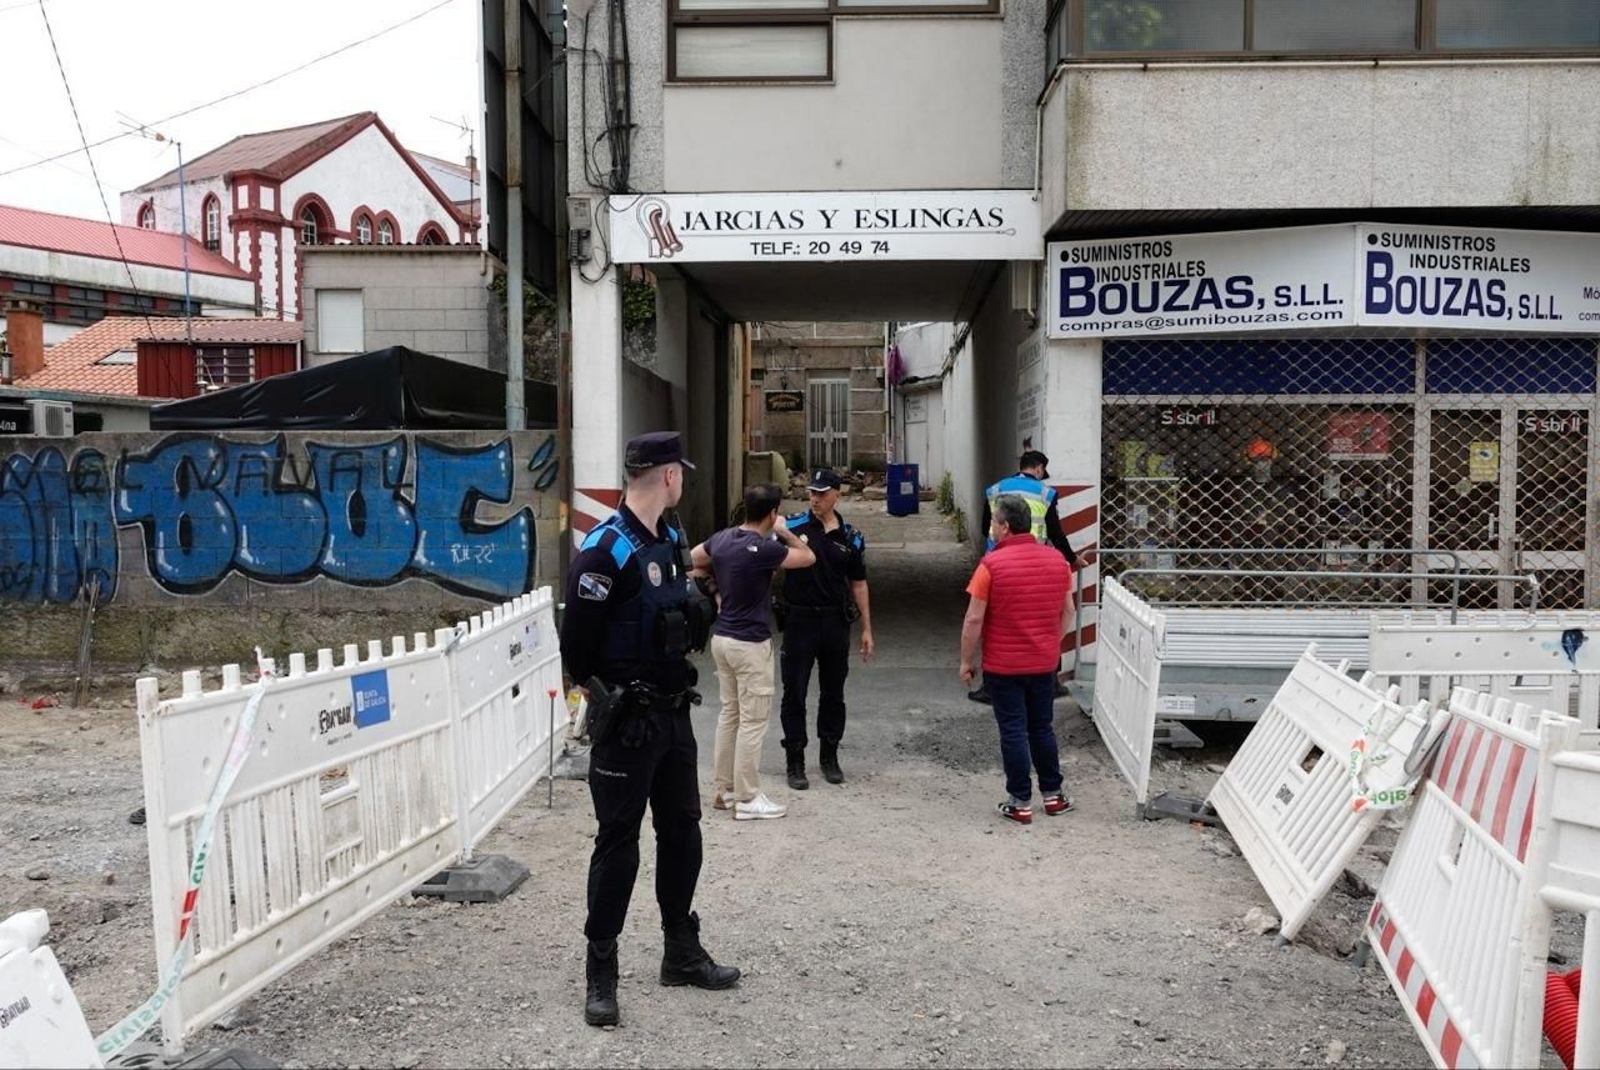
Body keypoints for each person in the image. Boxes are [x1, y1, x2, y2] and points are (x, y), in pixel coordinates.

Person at [560, 431, 738, 1028]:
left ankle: (680, 951)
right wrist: (609, 701)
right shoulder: (605, 550)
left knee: (683, 833)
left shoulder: (672, 537)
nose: (682, 479)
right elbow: (576, 650)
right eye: (680, 471)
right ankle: (601, 971)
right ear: (668, 475)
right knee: (619, 845)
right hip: (628, 725)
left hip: (673, 716)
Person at [691, 483, 815, 821]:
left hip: (723, 640)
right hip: (750, 644)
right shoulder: (766, 549)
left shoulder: (723, 539)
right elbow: (808, 557)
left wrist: (716, 588)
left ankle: (724, 790)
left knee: (729, 715)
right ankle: (747, 797)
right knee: (753, 721)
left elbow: (694, 561)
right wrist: (785, 532)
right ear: (772, 513)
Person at [959, 494, 1076, 825]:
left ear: (1005, 526)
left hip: (1004, 666)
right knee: (1042, 727)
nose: (992, 528)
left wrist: (966, 661)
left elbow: (973, 620)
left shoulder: (991, 566)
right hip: (1043, 663)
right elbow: (1068, 610)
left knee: (1013, 730)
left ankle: (1020, 801)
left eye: (994, 522)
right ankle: (1053, 797)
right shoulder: (1057, 562)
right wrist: (1051, 641)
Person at [778, 469, 874, 791]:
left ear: (837, 494)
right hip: (799, 621)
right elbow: (758, 553)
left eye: (821, 493)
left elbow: (858, 584)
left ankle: (829, 756)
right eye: (811, 492)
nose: (814, 498)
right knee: (795, 691)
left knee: (834, 692)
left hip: (834, 622)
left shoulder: (851, 537)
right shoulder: (790, 526)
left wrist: (866, 628)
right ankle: (795, 760)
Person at [969, 449, 1077, 705]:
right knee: (1043, 621)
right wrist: (1072, 559)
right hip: (1036, 564)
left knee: (994, 623)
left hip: (997, 562)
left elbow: (987, 524)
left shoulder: (994, 490)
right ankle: (1049, 683)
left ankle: (990, 687)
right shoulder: (1045, 493)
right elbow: (1056, 533)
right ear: (1038, 468)